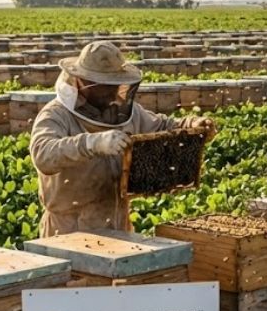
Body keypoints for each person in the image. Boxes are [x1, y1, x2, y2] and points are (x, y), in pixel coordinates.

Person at [29, 41, 215, 236]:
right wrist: (92, 143)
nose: (112, 92)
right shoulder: (56, 115)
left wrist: (191, 125)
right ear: (84, 82)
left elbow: (162, 126)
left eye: (115, 84)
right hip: (68, 229)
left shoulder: (124, 112)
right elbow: (43, 154)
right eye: (105, 85)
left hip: (118, 223)